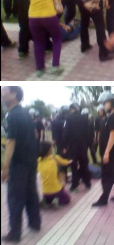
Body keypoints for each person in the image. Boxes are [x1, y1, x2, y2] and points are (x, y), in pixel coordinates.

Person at [1, 86, 40, 243]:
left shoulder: (12, 116)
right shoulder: (25, 113)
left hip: (18, 165)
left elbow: (10, 141)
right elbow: (35, 135)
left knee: (15, 199)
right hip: (31, 162)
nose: (1, 94)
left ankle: (15, 234)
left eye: (4, 92)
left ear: (14, 95)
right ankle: (35, 223)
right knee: (31, 194)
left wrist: (5, 168)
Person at [92, 92, 114, 207]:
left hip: (111, 153)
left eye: (107, 103)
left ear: (113, 103)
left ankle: (103, 199)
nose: (105, 105)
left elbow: (113, 134)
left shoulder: (113, 117)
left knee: (107, 176)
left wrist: (106, 152)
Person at [63, 103, 92, 192]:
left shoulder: (68, 118)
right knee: (84, 164)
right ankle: (87, 182)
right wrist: (87, 144)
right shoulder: (84, 118)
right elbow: (88, 133)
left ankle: (75, 183)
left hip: (73, 145)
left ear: (72, 109)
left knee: (73, 165)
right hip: (83, 145)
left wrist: (65, 146)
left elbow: (66, 133)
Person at [37, 141, 72, 208]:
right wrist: (71, 161)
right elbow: (66, 162)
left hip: (44, 191)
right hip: (56, 190)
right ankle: (56, 201)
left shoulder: (38, 161)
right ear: (49, 150)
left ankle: (47, 201)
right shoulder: (55, 158)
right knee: (67, 199)